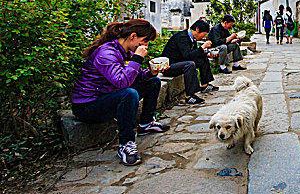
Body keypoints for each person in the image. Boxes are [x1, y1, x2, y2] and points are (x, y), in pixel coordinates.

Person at [72, 19, 170, 166]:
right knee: (129, 94)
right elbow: (121, 82)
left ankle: (146, 124)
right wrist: (137, 58)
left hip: (107, 95)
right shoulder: (106, 53)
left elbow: (133, 76)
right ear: (133, 36)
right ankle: (126, 144)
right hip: (87, 106)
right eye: (144, 41)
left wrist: (151, 73)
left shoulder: (123, 51)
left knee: (153, 82)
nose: (145, 46)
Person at [162, 19, 218, 105]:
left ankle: (205, 85)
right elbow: (187, 56)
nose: (204, 36)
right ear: (197, 29)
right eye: (204, 34)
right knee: (190, 64)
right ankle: (190, 96)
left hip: (180, 62)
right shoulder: (182, 37)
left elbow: (195, 54)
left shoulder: (192, 38)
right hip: (169, 67)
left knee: (203, 58)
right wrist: (202, 47)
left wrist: (206, 53)